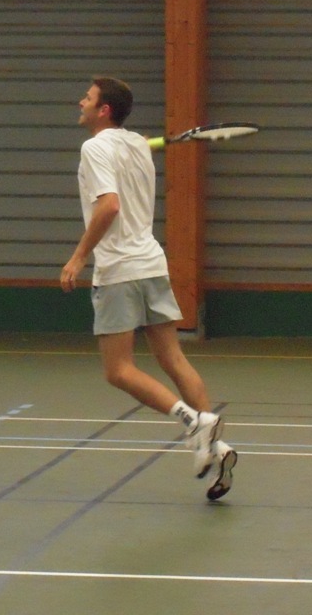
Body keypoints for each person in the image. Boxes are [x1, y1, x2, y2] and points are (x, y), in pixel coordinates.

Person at [60, 76, 237, 501]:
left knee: (117, 370)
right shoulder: (138, 145)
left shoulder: (95, 148)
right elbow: (135, 145)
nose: (81, 102)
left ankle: (192, 422)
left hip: (118, 270)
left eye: (88, 98)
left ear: (104, 109)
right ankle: (215, 448)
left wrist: (79, 256)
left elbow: (109, 206)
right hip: (153, 264)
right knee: (172, 358)